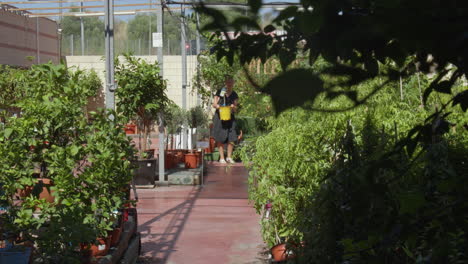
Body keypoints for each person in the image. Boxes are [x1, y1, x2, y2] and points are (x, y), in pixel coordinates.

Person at [212, 75, 239, 164]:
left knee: (232, 137)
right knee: (220, 136)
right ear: (225, 83)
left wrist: (233, 106)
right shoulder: (220, 92)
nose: (229, 84)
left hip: (230, 117)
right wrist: (219, 106)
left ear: (233, 83)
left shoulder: (234, 94)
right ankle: (222, 158)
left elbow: (235, 109)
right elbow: (214, 104)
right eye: (228, 82)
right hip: (220, 117)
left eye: (231, 82)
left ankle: (229, 157)